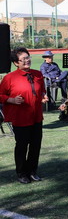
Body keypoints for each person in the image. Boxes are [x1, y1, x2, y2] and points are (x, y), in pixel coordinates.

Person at [0, 47, 48, 184]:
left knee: (35, 145)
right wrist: (11, 100)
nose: (27, 61)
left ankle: (32, 171)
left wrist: (43, 97)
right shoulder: (9, 78)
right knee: (22, 146)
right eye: (23, 59)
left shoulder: (38, 74)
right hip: (20, 118)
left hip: (36, 117)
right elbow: (0, 95)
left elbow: (41, 91)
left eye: (28, 58)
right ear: (16, 63)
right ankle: (21, 173)